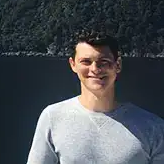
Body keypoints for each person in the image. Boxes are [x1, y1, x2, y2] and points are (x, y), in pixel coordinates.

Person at [26, 31, 164, 164]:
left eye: (104, 61)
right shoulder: (52, 117)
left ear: (118, 65)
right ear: (73, 64)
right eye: (86, 61)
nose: (95, 69)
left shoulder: (153, 128)